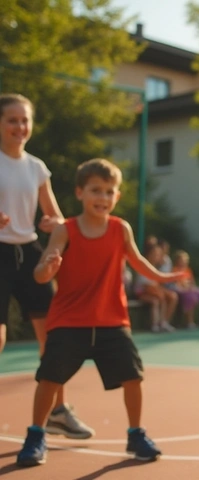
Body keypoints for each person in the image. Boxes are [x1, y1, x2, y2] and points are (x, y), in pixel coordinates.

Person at [15, 158, 185, 467]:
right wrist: (48, 267)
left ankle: (136, 434)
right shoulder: (65, 231)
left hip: (111, 321)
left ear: (116, 197)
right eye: (96, 190)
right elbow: (40, 275)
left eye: (109, 192)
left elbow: (139, 263)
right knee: (49, 379)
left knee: (134, 377)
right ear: (80, 193)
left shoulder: (120, 229)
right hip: (69, 322)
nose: (103, 198)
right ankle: (36, 435)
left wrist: (165, 278)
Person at [0, 93, 93, 440]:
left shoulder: (36, 167)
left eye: (25, 120)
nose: (20, 127)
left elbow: (54, 216)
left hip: (31, 253)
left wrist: (53, 222)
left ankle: (57, 411)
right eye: (12, 120)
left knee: (55, 336)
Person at [134, 243, 178, 332]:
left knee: (173, 296)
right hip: (143, 291)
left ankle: (164, 322)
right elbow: (145, 285)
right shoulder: (143, 264)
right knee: (160, 297)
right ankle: (157, 324)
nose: (156, 256)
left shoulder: (158, 266)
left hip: (155, 290)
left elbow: (161, 282)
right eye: (154, 254)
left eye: (158, 254)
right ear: (148, 254)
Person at [172, 249, 199, 328]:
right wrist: (185, 288)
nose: (184, 262)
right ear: (177, 260)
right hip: (182, 291)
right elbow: (176, 284)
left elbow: (192, 282)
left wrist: (191, 287)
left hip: (190, 289)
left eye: (185, 260)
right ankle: (189, 322)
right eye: (182, 260)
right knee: (191, 298)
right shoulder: (174, 270)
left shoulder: (188, 270)